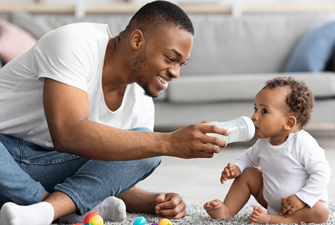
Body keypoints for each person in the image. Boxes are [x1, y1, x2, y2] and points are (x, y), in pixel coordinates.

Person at [0, 1, 229, 225]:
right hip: (4, 153)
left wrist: (154, 201)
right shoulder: (75, 42)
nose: (176, 73)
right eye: (170, 59)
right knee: (156, 143)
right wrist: (168, 141)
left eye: (182, 64)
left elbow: (98, 179)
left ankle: (44, 210)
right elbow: (67, 133)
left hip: (46, 169)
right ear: (137, 39)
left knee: (148, 151)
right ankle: (54, 209)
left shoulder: (140, 106)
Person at [203, 77, 331, 224]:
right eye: (255, 109)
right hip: (273, 201)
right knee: (248, 174)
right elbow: (248, 158)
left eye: (264, 111)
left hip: (301, 207)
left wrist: (302, 198)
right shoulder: (264, 141)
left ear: (288, 123)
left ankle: (273, 219)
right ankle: (228, 209)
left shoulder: (302, 143)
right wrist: (237, 168)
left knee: (321, 213)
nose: (254, 116)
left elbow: (322, 173)